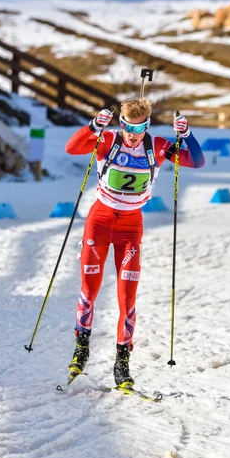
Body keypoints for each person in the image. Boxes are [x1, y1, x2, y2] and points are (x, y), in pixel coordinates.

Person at [65, 99, 205, 388]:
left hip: (131, 228)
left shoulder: (158, 147)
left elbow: (197, 161)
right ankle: (81, 350)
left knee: (127, 298)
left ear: (147, 125)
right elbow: (72, 148)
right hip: (100, 222)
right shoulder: (108, 141)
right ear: (121, 124)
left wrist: (186, 134)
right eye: (127, 126)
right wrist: (93, 126)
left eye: (139, 127)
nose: (132, 133)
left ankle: (122, 364)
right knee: (89, 290)